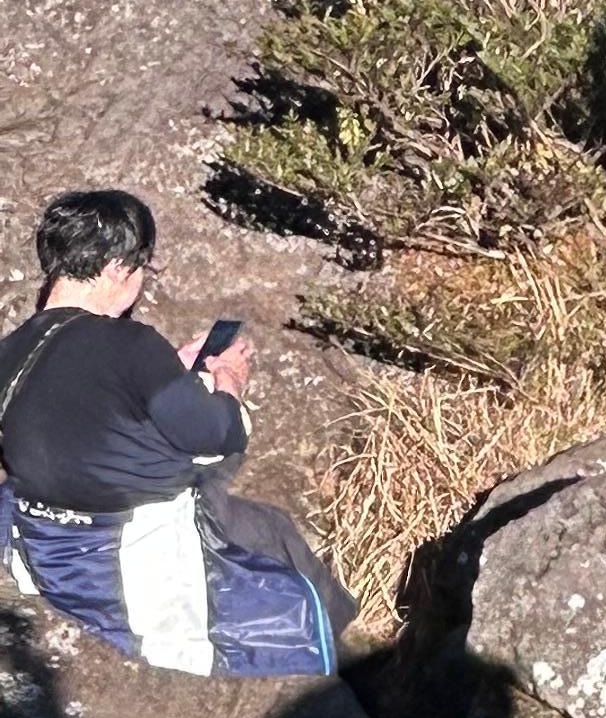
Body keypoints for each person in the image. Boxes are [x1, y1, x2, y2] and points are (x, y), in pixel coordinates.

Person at [0, 187, 350, 676]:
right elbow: (214, 433)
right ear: (117, 268)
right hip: (124, 552)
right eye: (142, 267)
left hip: (46, 547)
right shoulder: (129, 342)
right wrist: (228, 382)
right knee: (270, 530)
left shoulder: (14, 348)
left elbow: (86, 416)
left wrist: (169, 373)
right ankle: (342, 663)